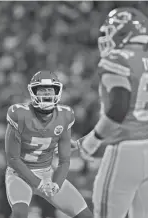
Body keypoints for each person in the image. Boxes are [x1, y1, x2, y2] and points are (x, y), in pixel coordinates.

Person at [71, 7, 148, 218]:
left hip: (126, 151)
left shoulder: (116, 60)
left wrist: (91, 142)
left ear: (123, 32)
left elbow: (119, 109)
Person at [5, 70, 93, 218]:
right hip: (19, 175)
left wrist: (56, 184)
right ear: (33, 92)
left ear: (57, 92)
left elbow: (64, 161)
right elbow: (13, 159)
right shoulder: (19, 114)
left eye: (49, 90)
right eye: (42, 90)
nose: (46, 94)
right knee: (20, 214)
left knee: (85, 216)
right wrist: (38, 183)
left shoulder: (65, 115)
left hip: (47, 174)